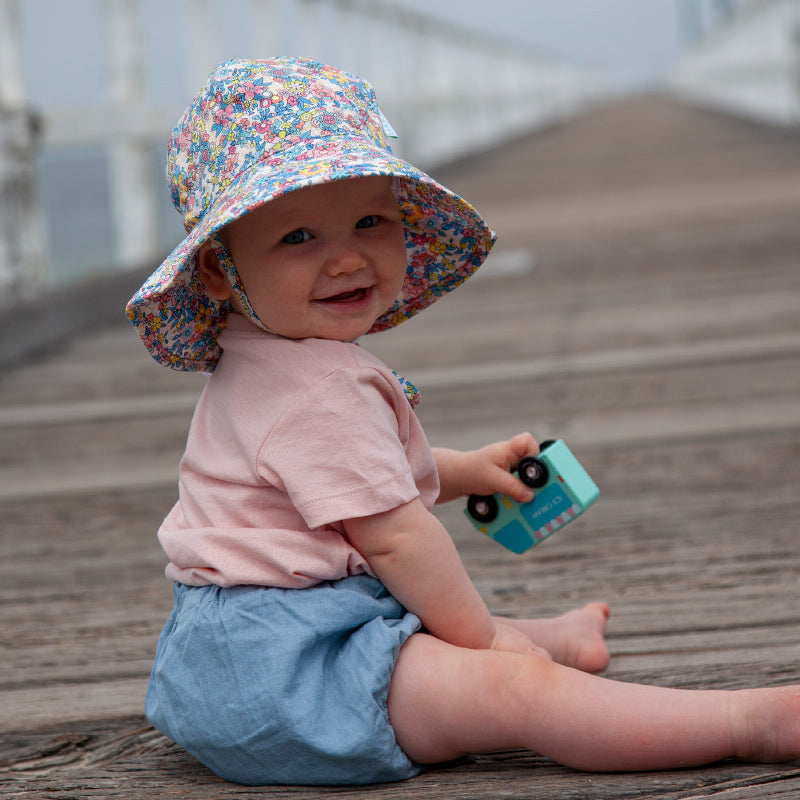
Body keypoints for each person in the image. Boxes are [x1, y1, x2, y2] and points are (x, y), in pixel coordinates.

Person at [127, 57, 800, 787]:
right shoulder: (316, 392)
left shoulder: (260, 356)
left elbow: (342, 484)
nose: (347, 256)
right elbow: (390, 535)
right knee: (513, 690)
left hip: (226, 657)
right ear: (222, 271)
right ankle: (746, 723)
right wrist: (484, 643)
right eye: (298, 238)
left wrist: (465, 470)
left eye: (370, 221)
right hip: (293, 676)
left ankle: (560, 638)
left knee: (448, 640)